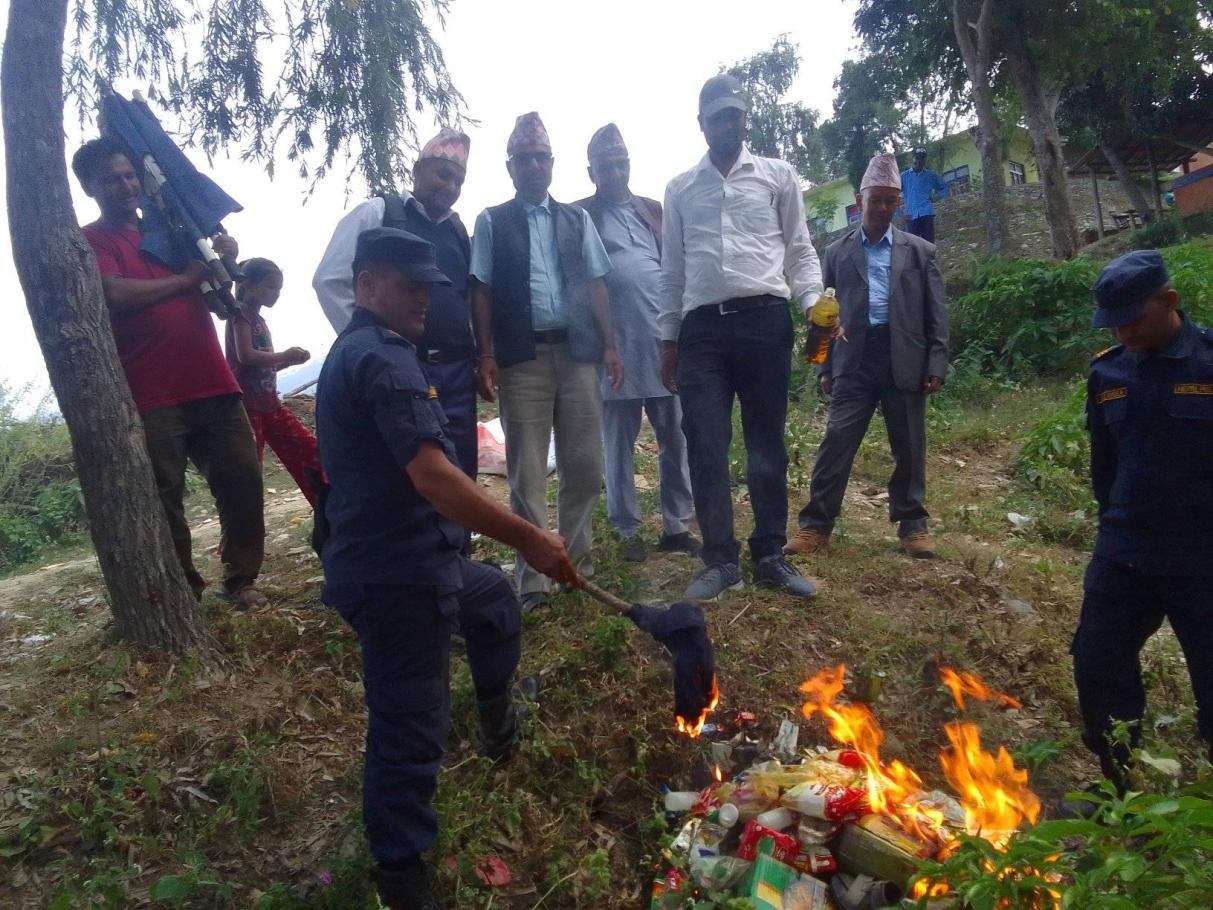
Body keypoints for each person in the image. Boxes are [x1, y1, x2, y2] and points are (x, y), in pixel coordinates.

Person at [316, 227, 579, 910]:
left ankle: (497, 723)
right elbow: (434, 477)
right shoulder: (380, 359)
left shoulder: (371, 352)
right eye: (410, 286)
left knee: (492, 603)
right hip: (395, 578)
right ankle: (402, 880)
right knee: (409, 730)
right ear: (368, 283)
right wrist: (529, 538)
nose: (425, 300)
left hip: (423, 560)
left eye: (430, 287)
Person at [73, 136, 266, 608]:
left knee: (242, 478)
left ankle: (242, 582)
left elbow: (220, 303)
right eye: (110, 180)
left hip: (212, 380)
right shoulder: (93, 239)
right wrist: (187, 279)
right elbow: (112, 293)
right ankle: (186, 591)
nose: (125, 186)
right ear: (89, 189)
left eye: (129, 175)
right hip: (151, 391)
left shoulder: (172, 230)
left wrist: (224, 260)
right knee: (165, 497)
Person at [659, 74, 822, 601]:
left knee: (765, 441)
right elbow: (672, 272)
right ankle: (720, 559)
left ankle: (770, 553)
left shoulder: (778, 176)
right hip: (702, 330)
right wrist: (668, 339)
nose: (728, 123)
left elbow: (799, 250)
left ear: (744, 119)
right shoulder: (681, 189)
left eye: (735, 114)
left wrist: (814, 305)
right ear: (701, 123)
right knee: (705, 441)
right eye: (717, 116)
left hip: (764, 320)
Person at [1067, 249, 1213, 806]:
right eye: (1114, 323)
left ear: (1169, 302)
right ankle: (1115, 786)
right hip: (1127, 547)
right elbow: (1104, 463)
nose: (1123, 331)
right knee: (1098, 661)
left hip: (1203, 552)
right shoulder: (1108, 372)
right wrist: (1113, 527)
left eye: (1134, 319)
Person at [471, 112, 623, 612]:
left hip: (578, 354)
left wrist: (610, 345)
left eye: (541, 157)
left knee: (584, 464)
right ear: (510, 168)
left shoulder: (575, 219)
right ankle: (533, 580)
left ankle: (575, 565)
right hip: (522, 359)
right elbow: (482, 290)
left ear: (553, 165)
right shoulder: (492, 221)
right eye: (524, 159)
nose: (533, 165)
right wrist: (486, 353)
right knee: (527, 472)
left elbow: (598, 282)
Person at [786, 154, 949, 560]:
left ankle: (913, 525)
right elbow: (823, 313)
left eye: (889, 201)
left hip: (904, 356)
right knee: (837, 440)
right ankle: (815, 525)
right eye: (874, 199)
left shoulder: (920, 252)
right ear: (860, 202)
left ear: (898, 204)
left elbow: (936, 313)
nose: (881, 208)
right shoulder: (837, 253)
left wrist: (936, 363)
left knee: (910, 444)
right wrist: (823, 363)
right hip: (852, 357)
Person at [313, 129, 479, 481]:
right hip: (402, 372)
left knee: (461, 466)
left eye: (459, 180)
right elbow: (330, 280)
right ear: (416, 171)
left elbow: (462, 299)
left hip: (456, 374)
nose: (450, 186)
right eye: (443, 174)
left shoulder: (458, 231)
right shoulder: (378, 212)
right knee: (410, 472)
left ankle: (458, 537)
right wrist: (374, 348)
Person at [574, 123, 698, 563]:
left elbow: (675, 266)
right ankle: (626, 528)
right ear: (591, 171)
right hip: (613, 347)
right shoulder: (580, 215)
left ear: (629, 164)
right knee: (618, 439)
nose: (614, 171)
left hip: (661, 339)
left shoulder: (652, 210)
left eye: (620, 162)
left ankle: (676, 524)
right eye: (605, 165)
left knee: (675, 435)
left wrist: (680, 335)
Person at [225, 257, 323, 505]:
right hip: (249, 411)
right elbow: (245, 356)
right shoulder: (240, 315)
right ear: (247, 285)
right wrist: (283, 354)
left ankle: (328, 508)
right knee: (250, 476)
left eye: (279, 288)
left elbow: (262, 366)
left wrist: (288, 362)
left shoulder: (258, 320)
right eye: (270, 286)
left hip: (271, 407)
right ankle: (244, 540)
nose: (276, 293)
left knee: (311, 451)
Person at [899, 148, 949, 243]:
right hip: (911, 216)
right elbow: (893, 194)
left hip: (926, 213)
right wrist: (900, 214)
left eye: (922, 158)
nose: (919, 160)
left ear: (925, 160)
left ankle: (929, 258)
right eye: (917, 157)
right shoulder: (903, 177)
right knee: (913, 246)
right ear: (913, 158)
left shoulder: (931, 176)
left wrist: (936, 197)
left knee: (929, 244)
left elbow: (945, 188)